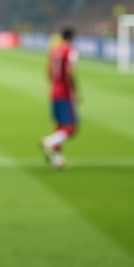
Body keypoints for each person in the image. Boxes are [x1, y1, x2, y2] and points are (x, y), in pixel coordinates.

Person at [41, 27, 78, 170]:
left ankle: (57, 160)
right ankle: (49, 142)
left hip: (54, 92)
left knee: (59, 127)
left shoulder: (54, 51)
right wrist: (74, 90)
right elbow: (70, 72)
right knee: (72, 127)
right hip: (65, 94)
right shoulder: (69, 51)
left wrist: (54, 84)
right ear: (71, 37)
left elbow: (48, 70)